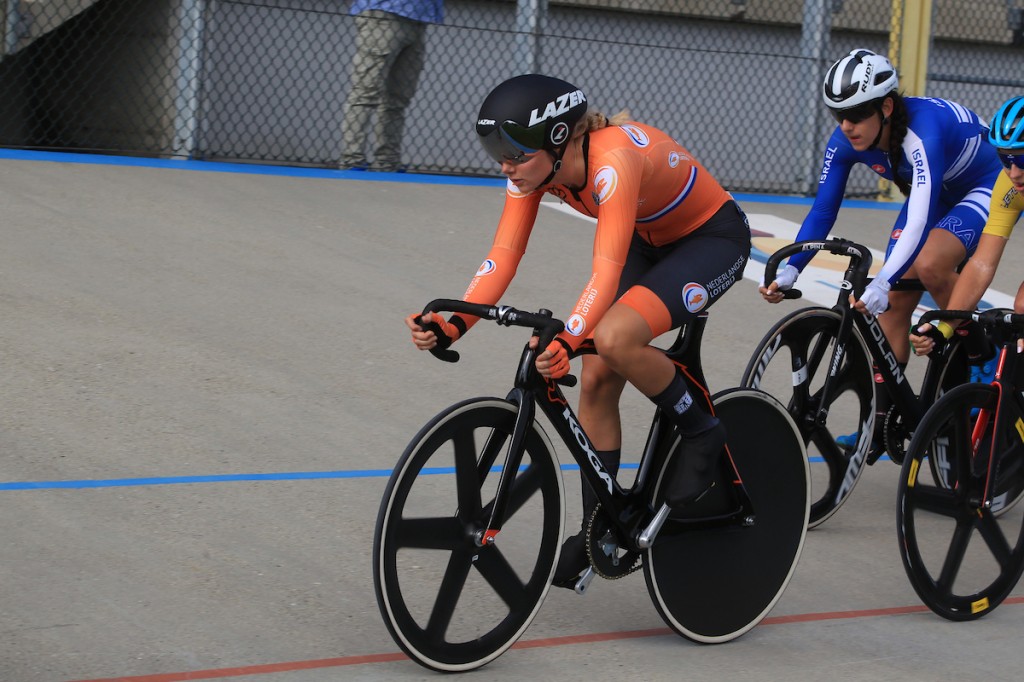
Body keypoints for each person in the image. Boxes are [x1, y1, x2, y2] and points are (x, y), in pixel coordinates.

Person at [404, 74, 752, 586]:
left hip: (711, 239)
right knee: (594, 378)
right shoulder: (532, 170)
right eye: (496, 149)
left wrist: (569, 337)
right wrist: (453, 323)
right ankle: (602, 525)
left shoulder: (611, 161)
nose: (505, 164)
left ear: (559, 140)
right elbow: (502, 256)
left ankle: (702, 430)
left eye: (515, 152)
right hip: (647, 238)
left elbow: (605, 272)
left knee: (613, 339)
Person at [759, 48, 1004, 449]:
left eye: (856, 115)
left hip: (983, 182)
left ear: (886, 107)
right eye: (838, 115)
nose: (847, 126)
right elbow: (823, 210)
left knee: (931, 263)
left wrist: (885, 277)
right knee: (890, 303)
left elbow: (921, 219)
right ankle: (885, 418)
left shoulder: (922, 134)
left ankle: (980, 350)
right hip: (938, 190)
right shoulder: (846, 141)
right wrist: (791, 269)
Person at [910, 95, 1024, 356]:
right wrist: (945, 327)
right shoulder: (1007, 186)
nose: (1014, 173)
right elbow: (982, 263)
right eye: (1006, 160)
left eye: (1023, 161)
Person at [339, 1, 444, 171]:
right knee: (366, 91)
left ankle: (387, 161)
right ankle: (352, 159)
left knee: (397, 98)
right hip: (385, 12)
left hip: (417, 18)